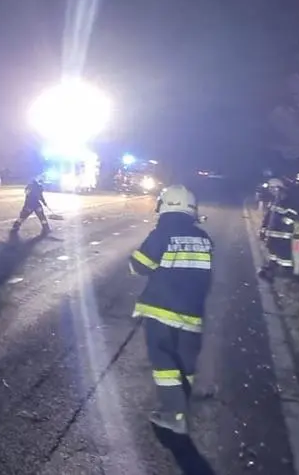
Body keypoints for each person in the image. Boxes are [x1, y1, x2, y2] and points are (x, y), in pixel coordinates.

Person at [128, 184, 213, 435]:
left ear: (165, 206)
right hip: (192, 313)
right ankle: (182, 403)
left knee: (163, 360)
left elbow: (139, 267)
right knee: (186, 361)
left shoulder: (162, 233)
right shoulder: (204, 238)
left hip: (161, 310)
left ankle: (174, 415)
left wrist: (135, 259)